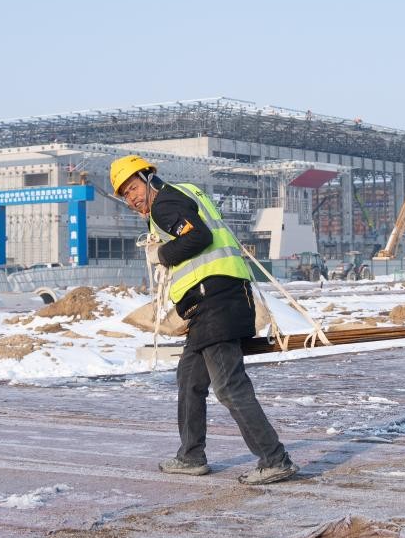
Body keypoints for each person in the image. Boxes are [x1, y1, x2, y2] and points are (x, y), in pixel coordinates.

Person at [110, 155, 298, 485]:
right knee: (189, 379)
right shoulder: (186, 192)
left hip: (215, 302)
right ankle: (191, 456)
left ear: (148, 179)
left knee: (229, 387)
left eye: (133, 188)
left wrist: (162, 254)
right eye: (125, 195)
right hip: (218, 300)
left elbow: (199, 237)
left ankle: (274, 459)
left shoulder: (163, 205)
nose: (131, 198)